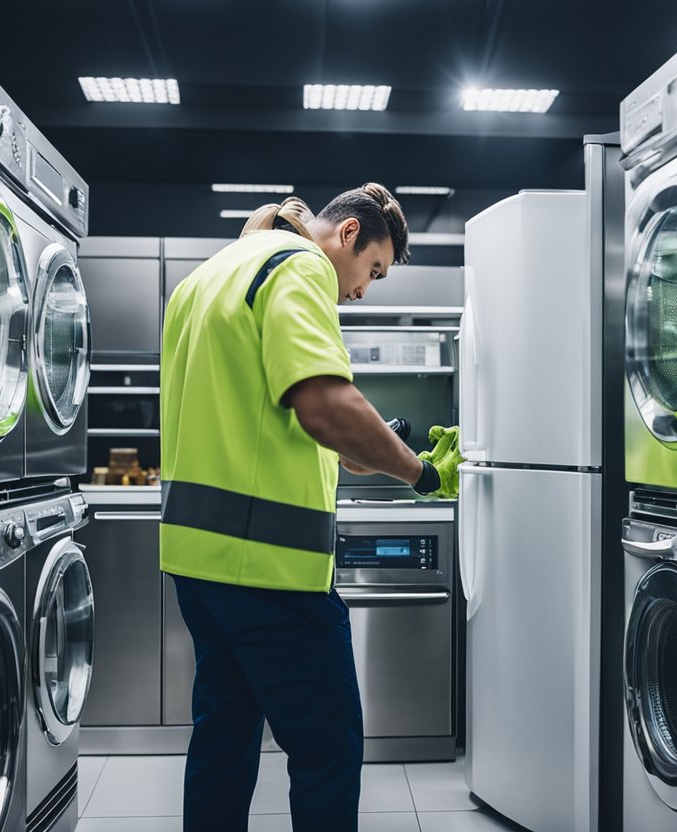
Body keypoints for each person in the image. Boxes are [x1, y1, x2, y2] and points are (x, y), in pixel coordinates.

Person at [159, 183, 452, 832]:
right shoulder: (299, 267)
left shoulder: (209, 275)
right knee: (327, 750)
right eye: (372, 269)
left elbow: (277, 416)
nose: (363, 290)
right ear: (347, 234)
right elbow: (322, 406)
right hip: (270, 568)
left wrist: (362, 447)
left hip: (195, 564)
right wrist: (421, 471)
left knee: (223, 742)